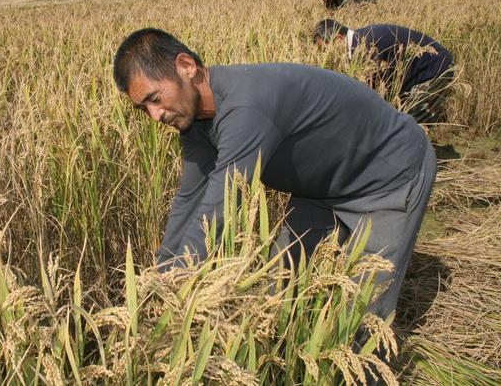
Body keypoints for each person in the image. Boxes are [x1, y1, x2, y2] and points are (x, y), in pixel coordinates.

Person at [112, 28, 436, 321]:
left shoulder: (245, 108)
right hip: (320, 191)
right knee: (279, 286)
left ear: (187, 66)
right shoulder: (195, 123)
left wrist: (176, 288)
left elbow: (222, 206)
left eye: (155, 98)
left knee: (361, 312)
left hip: (388, 177)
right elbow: (190, 200)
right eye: (143, 108)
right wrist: (159, 279)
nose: (155, 115)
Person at [313, 19, 455, 123]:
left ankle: (416, 161)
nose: (328, 55)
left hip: (436, 69)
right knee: (402, 120)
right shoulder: (360, 42)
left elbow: (373, 91)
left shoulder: (366, 44)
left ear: (338, 39)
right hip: (417, 74)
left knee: (414, 122)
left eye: (326, 49)